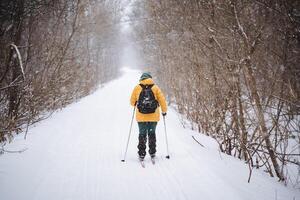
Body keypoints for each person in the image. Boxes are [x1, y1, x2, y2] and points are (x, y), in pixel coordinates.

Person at [130, 72, 167, 161]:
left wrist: (136, 102)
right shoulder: (155, 87)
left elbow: (132, 102)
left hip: (141, 116)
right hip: (153, 116)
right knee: (152, 133)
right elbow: (162, 100)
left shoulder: (137, 87)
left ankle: (142, 154)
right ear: (150, 78)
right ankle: (152, 152)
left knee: (142, 134)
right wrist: (164, 111)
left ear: (141, 79)